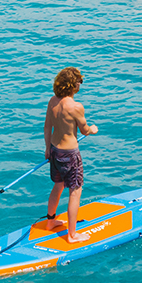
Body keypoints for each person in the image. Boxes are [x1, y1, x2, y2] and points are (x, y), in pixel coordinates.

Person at [44, 67, 98, 243]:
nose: (80, 85)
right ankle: (72, 235)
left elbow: (47, 126)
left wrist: (47, 149)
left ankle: (50, 222)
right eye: (79, 82)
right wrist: (93, 130)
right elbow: (85, 129)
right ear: (73, 86)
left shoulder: (52, 101)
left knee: (58, 185)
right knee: (75, 192)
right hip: (70, 154)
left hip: (54, 150)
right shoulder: (76, 107)